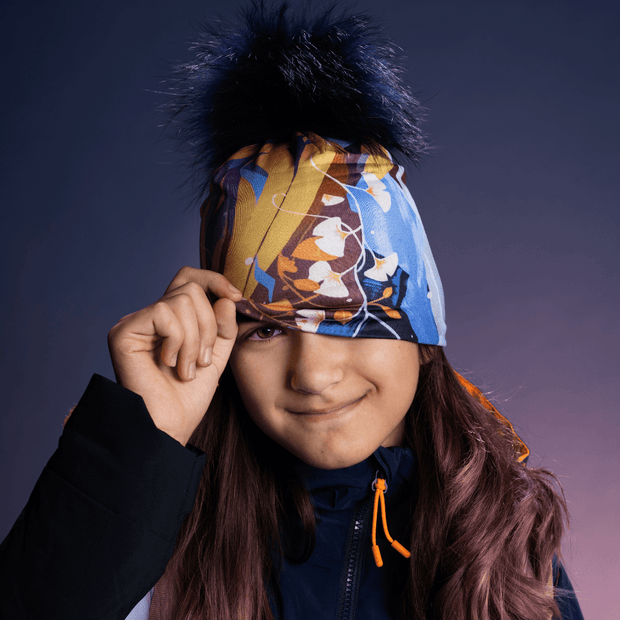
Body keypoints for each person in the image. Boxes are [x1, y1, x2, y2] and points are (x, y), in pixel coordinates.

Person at [0, 4, 584, 619]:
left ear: (422, 320)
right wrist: (142, 441)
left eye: (349, 314)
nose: (312, 373)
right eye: (266, 328)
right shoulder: (152, 539)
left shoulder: (509, 558)